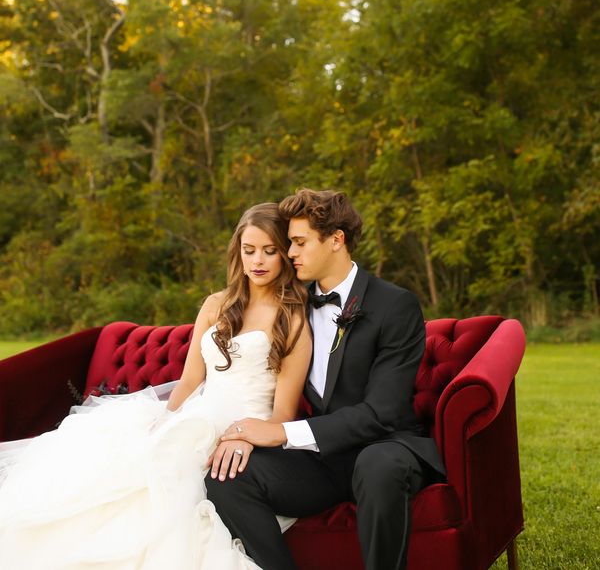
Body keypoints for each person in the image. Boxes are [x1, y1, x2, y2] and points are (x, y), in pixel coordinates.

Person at [0, 202, 312, 570]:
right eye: (249, 250)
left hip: (242, 429)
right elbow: (192, 379)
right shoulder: (217, 304)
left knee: (174, 496)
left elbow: (284, 414)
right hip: (197, 415)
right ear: (237, 253)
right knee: (121, 462)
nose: (257, 260)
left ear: (285, 254)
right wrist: (165, 419)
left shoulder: (292, 317)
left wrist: (245, 436)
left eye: (269, 251)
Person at [208, 188, 445, 570]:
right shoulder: (291, 303)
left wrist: (282, 434)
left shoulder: (394, 305)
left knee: (377, 464)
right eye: (289, 244)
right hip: (325, 460)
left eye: (299, 243)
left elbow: (381, 412)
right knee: (227, 478)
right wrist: (249, 437)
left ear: (337, 240)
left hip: (386, 445)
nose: (291, 253)